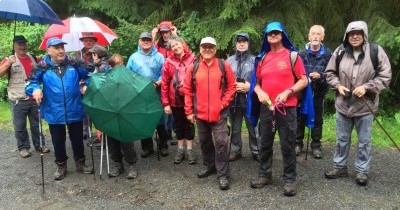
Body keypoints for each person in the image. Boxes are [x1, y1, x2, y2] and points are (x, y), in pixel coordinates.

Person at [324, 21, 391, 186]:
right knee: (342, 139)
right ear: (347, 35)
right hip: (343, 105)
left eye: (358, 33)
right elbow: (330, 73)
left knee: (365, 141)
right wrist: (338, 85)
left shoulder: (376, 51)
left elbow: (385, 75)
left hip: (365, 107)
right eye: (351, 33)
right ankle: (340, 167)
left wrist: (367, 87)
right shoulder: (340, 51)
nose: (354, 36)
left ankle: (362, 170)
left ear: (364, 35)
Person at [248, 21, 308, 196]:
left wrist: (289, 91)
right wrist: (259, 92)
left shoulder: (292, 56)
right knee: (264, 142)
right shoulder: (262, 58)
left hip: (287, 108)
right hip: (267, 108)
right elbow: (256, 84)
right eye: (269, 34)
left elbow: (304, 80)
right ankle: (264, 174)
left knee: (288, 144)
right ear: (266, 37)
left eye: (276, 33)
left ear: (282, 35)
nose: (273, 36)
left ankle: (290, 179)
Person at [25, 37, 94, 180]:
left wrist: (86, 85)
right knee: (58, 140)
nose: (61, 50)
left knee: (77, 138)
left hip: (74, 107)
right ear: (48, 50)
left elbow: (91, 74)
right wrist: (36, 89)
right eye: (57, 48)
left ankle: (80, 163)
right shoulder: (42, 66)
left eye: (62, 47)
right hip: (54, 110)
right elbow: (30, 82)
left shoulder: (74, 62)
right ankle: (61, 165)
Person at [183, 37, 236, 190]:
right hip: (200, 114)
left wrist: (222, 103)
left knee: (221, 143)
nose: (207, 49)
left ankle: (223, 174)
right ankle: (209, 165)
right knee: (205, 141)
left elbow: (231, 87)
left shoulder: (223, 65)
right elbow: (187, 90)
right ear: (200, 49)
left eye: (210, 47)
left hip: (219, 113)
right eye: (204, 46)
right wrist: (188, 111)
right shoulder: (194, 67)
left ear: (215, 49)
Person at [0, 35, 50, 158]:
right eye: (19, 44)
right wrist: (8, 64)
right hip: (18, 99)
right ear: (14, 46)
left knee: (36, 124)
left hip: (34, 98)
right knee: (20, 126)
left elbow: (45, 66)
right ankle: (23, 147)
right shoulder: (9, 59)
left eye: (24, 43)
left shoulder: (33, 58)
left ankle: (40, 145)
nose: (22, 46)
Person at [127, 32, 169, 158]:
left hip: (157, 92)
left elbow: (165, 73)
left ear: (152, 41)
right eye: (143, 39)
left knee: (160, 120)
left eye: (148, 39)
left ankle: (163, 146)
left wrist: (158, 83)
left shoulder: (160, 57)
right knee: (143, 121)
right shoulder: (133, 57)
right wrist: (137, 86)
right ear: (139, 41)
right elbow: (129, 75)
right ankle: (147, 147)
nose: (146, 41)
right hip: (140, 94)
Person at [295, 25, 332, 158]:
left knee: (317, 118)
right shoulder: (300, 54)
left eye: (318, 34)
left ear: (322, 37)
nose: (315, 36)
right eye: (313, 34)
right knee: (300, 117)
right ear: (309, 36)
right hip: (303, 92)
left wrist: (320, 75)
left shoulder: (329, 54)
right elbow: (295, 73)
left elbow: (332, 74)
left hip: (319, 92)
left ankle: (316, 146)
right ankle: (298, 143)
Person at [161, 35, 197, 164]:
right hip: (174, 100)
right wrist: (166, 103)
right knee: (179, 125)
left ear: (183, 44)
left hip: (190, 100)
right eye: (173, 46)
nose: (176, 47)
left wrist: (188, 82)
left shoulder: (194, 59)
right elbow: (164, 84)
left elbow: (198, 78)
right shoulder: (168, 62)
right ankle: (180, 149)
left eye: (177, 44)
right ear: (171, 49)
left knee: (190, 125)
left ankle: (190, 150)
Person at [226, 32, 259, 162]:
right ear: (236, 44)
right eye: (239, 41)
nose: (241, 43)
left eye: (244, 41)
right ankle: (235, 150)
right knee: (235, 128)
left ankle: (256, 150)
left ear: (248, 43)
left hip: (250, 99)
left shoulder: (255, 61)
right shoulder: (229, 61)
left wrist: (249, 86)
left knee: (253, 126)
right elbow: (224, 80)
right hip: (233, 100)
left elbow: (260, 80)